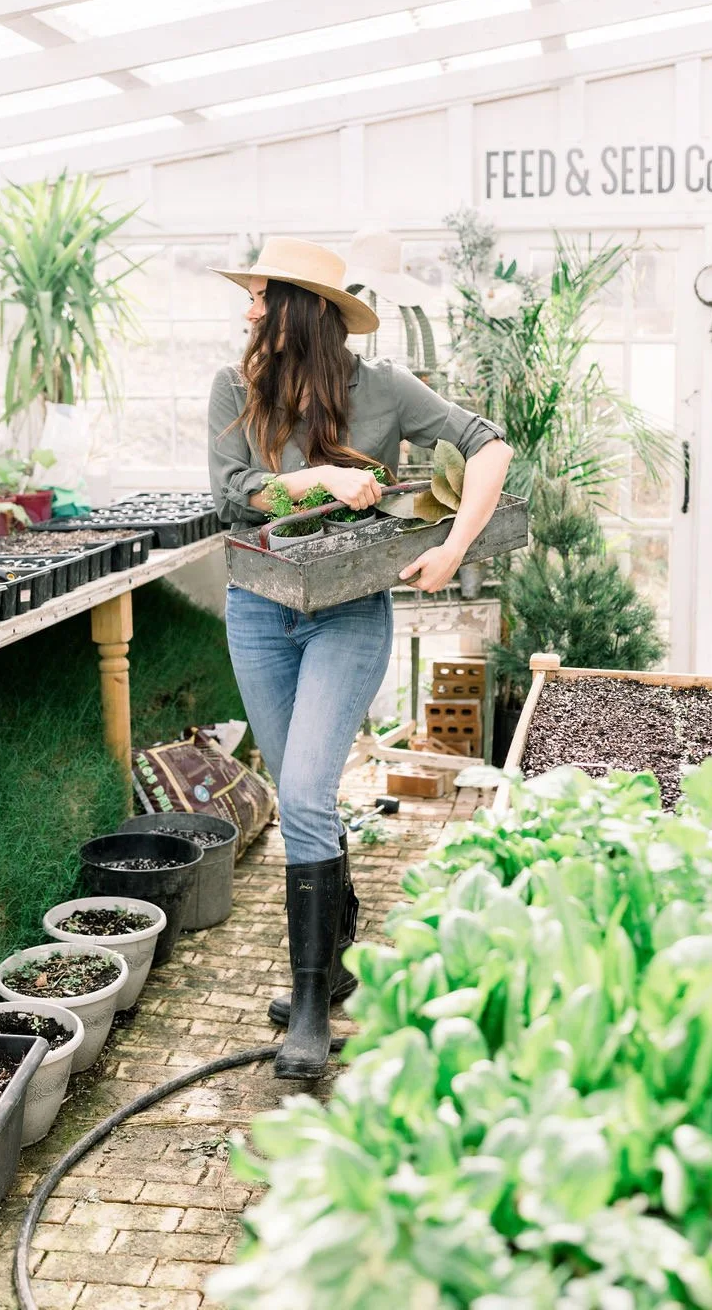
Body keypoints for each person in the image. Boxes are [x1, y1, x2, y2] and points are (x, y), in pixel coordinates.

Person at [207, 236, 512, 1080]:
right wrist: (320, 482)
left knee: (304, 792)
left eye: (261, 297)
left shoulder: (378, 389)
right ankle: (334, 958)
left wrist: (454, 547)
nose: (248, 310)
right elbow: (231, 491)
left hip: (349, 618)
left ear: (300, 310)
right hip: (258, 613)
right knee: (302, 796)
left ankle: (307, 1012)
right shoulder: (235, 390)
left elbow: (490, 445)